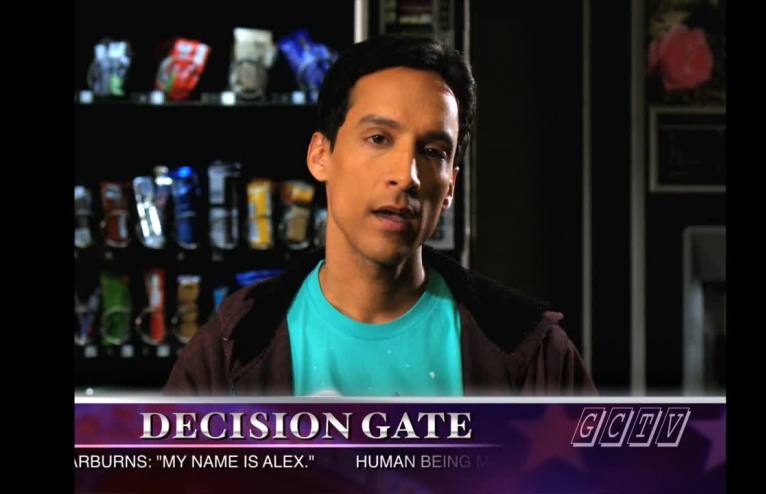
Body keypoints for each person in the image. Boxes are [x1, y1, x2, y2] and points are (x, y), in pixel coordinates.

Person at [165, 34, 595, 396]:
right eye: (378, 138)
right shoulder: (230, 347)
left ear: (450, 186)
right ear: (321, 156)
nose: (406, 176)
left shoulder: (532, 350)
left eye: (432, 151)